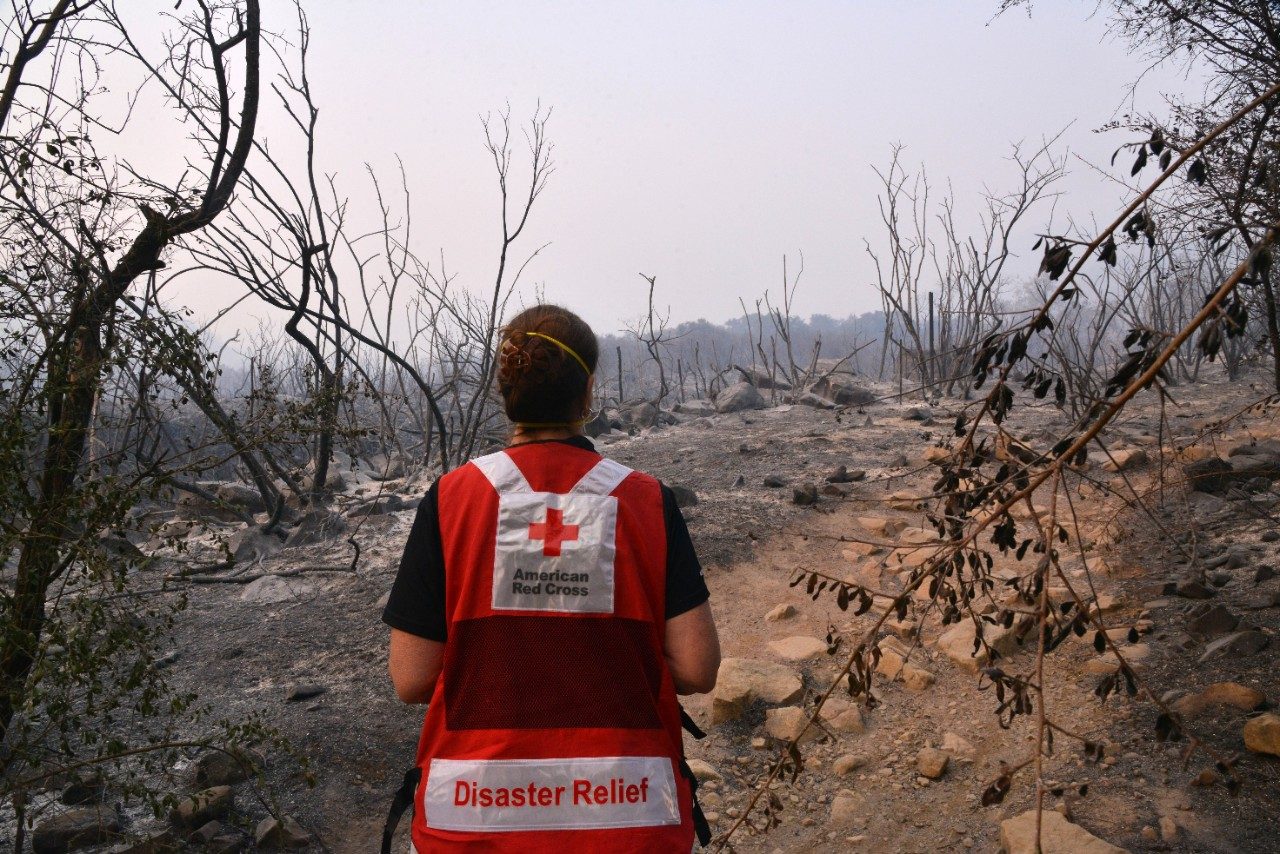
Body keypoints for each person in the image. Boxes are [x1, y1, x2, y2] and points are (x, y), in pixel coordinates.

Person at [382, 304, 721, 853]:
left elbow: (412, 678)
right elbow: (698, 667)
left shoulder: (451, 500)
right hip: (629, 818)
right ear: (587, 393)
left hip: (472, 822)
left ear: (505, 388)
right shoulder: (645, 501)